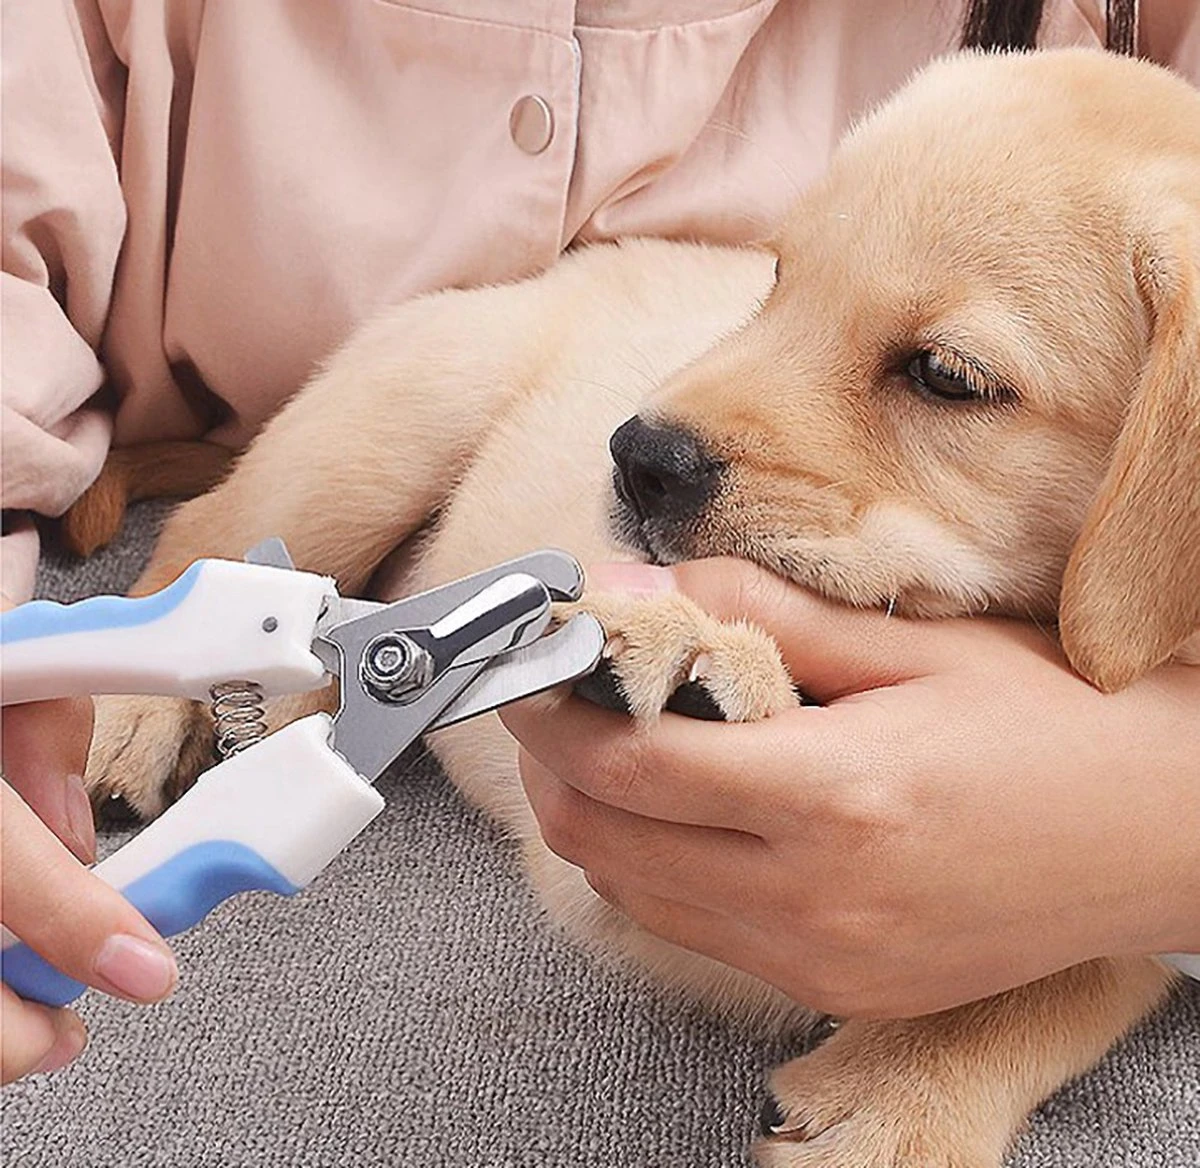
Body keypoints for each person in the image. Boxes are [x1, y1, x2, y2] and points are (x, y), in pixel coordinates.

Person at [2, 0, 1197, 1084]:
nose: (669, 428)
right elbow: (602, 870)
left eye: (944, 374)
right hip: (521, 371)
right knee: (441, 371)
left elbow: (1119, 929)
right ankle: (198, 602)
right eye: (782, 277)